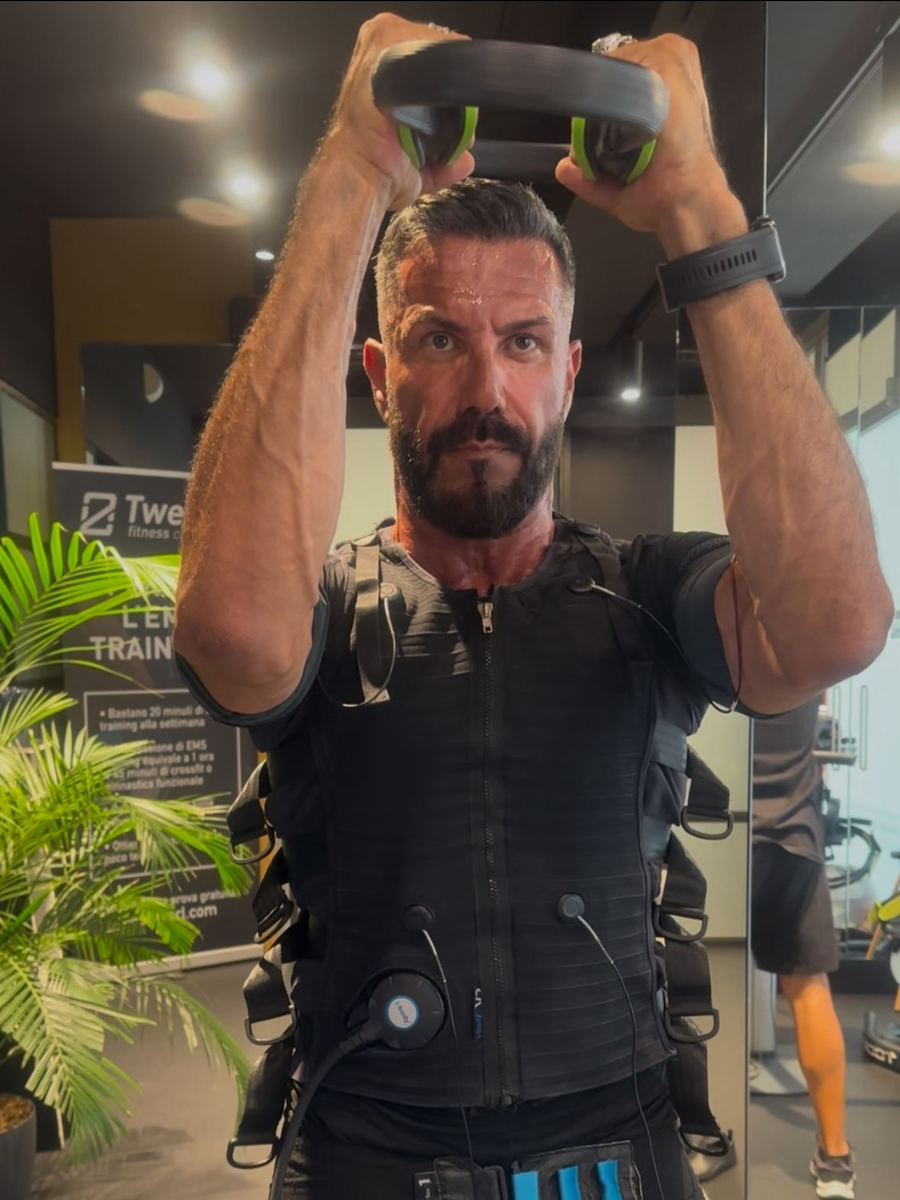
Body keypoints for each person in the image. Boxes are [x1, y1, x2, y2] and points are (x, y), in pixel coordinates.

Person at [172, 14, 893, 1200]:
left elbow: (836, 625)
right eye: (437, 340)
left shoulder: (648, 589)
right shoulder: (322, 603)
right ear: (378, 373)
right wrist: (350, 176)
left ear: (566, 371)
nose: (486, 390)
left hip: (619, 1142)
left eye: (522, 343)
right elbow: (231, 638)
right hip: (362, 1146)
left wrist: (700, 206)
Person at [752, 699, 854, 1199]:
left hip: (720, 829)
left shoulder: (707, 653)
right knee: (810, 989)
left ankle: (701, 1136)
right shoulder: (812, 659)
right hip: (792, 832)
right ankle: (835, 1157)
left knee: (695, 988)